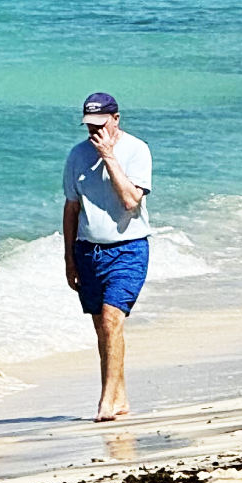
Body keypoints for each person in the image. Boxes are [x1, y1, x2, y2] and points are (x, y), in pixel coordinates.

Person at [62, 93, 152, 422]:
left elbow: (131, 201)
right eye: (89, 126)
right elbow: (71, 208)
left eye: (100, 125)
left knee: (113, 319)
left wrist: (109, 157)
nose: (94, 133)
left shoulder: (137, 150)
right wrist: (69, 258)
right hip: (88, 250)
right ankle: (121, 396)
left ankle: (105, 401)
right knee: (103, 328)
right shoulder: (76, 155)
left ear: (116, 118)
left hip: (128, 248)